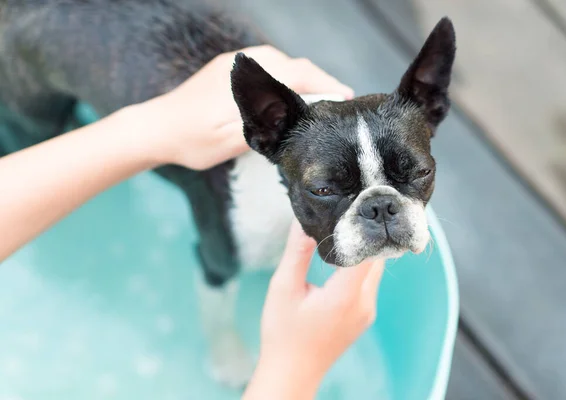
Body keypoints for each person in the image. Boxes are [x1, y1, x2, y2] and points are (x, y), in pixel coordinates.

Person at [0, 45, 386, 399]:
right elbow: (215, 268)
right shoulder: (248, 211)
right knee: (28, 136)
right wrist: (294, 369)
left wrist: (142, 133)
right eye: (325, 188)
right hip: (37, 47)